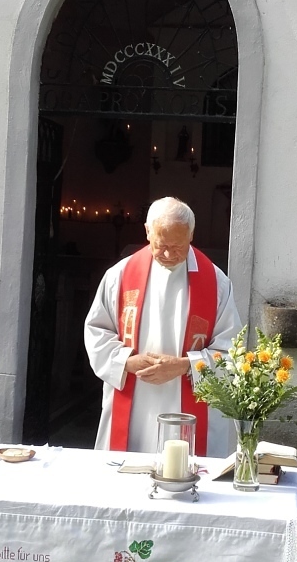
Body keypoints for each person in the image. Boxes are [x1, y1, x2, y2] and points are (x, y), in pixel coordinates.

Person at [84, 196, 241, 457]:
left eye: (177, 247)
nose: (168, 254)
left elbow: (231, 351)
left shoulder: (216, 283)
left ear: (191, 235)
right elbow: (97, 331)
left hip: (190, 405)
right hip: (134, 399)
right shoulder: (120, 276)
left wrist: (185, 366)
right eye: (161, 245)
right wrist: (126, 361)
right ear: (147, 231)